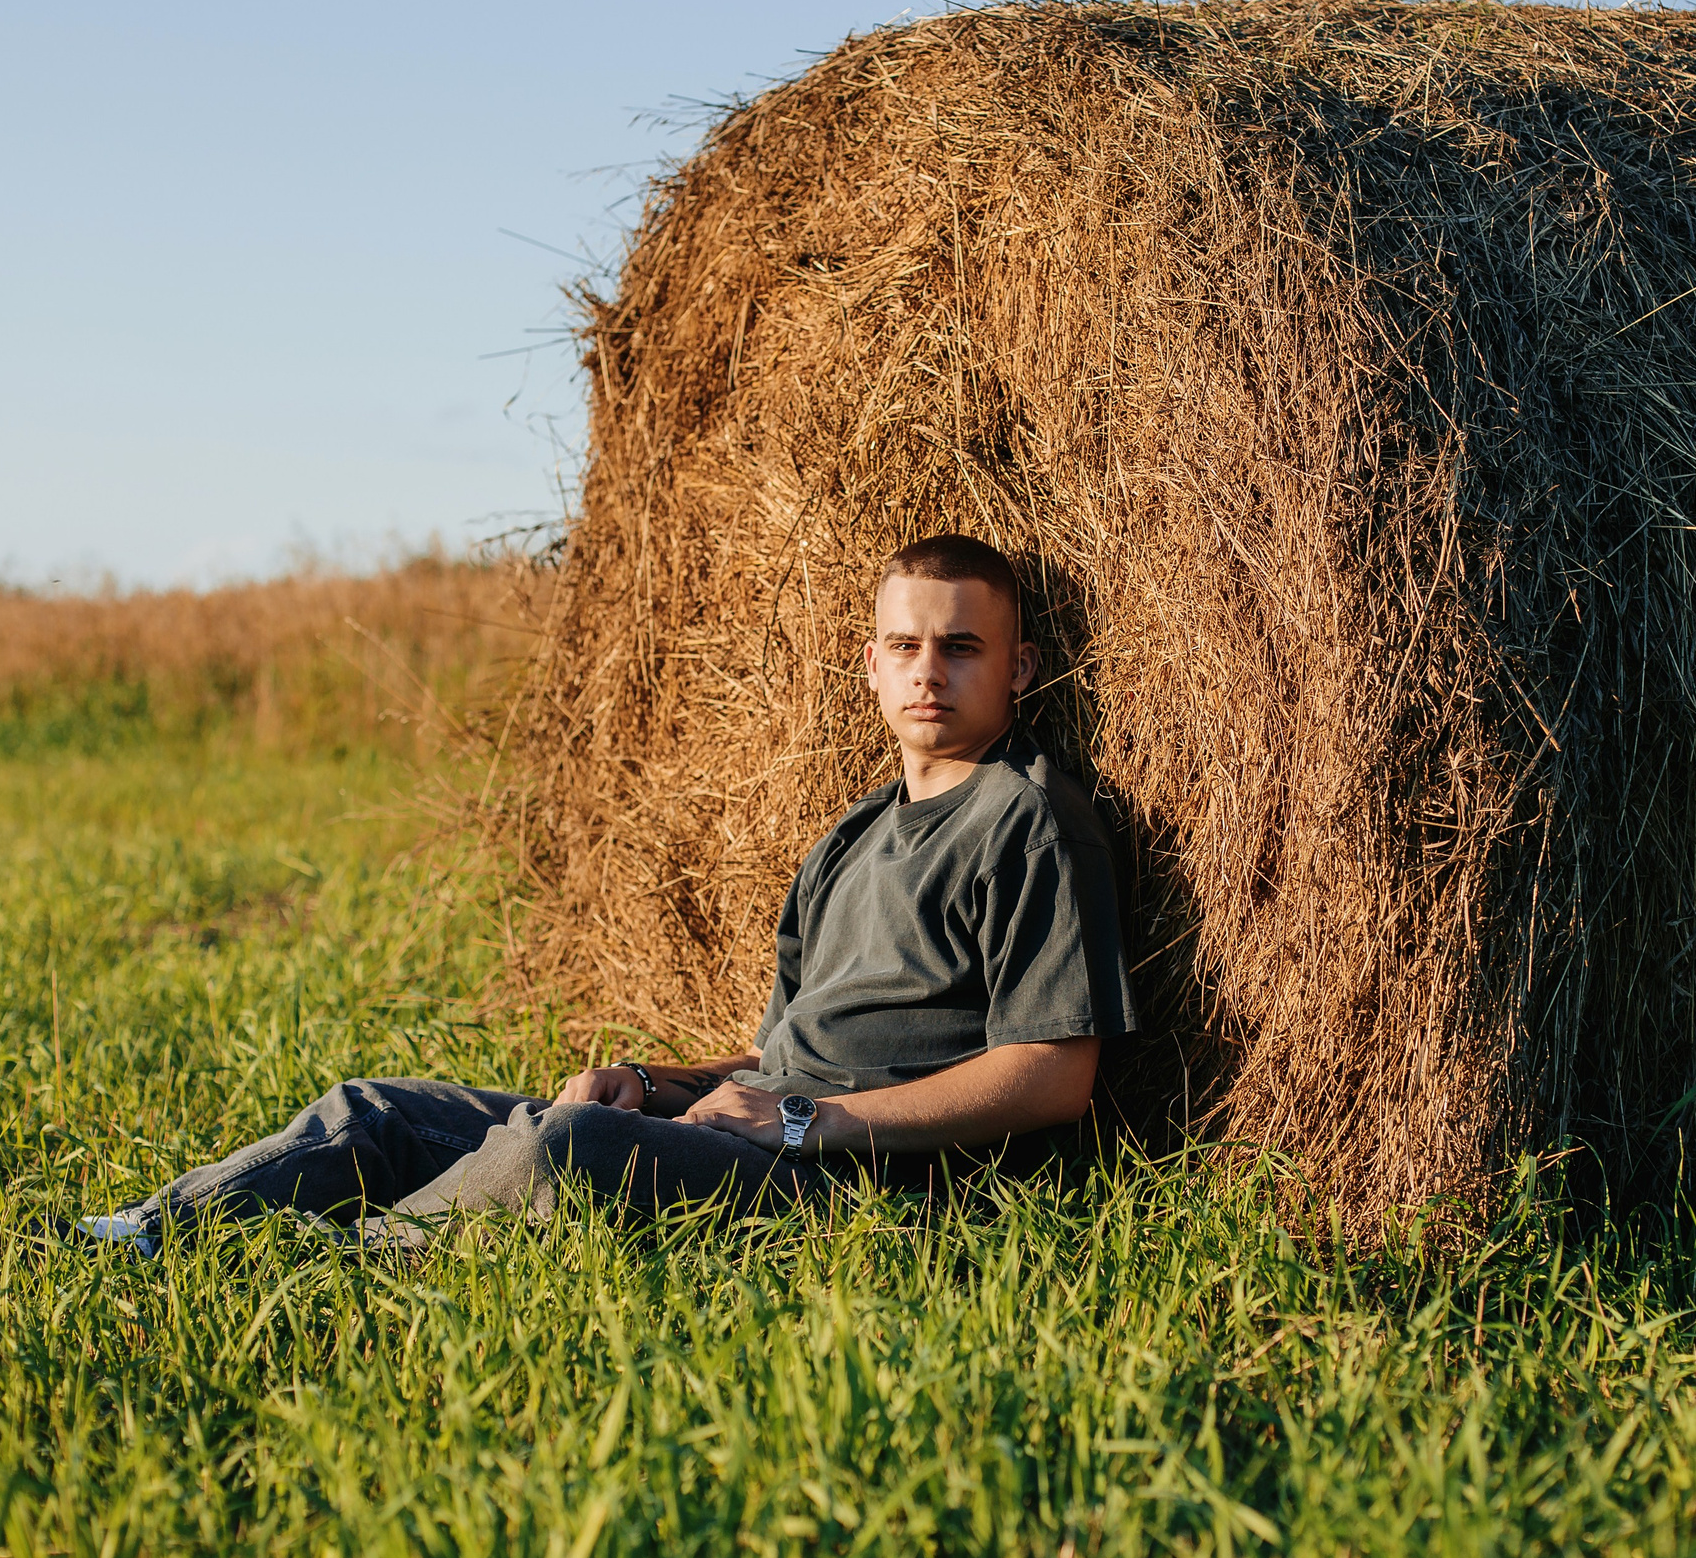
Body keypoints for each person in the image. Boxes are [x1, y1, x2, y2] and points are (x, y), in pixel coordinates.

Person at [72, 534, 1139, 1254]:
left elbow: (1051, 1078)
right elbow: (772, 1060)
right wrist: (657, 1079)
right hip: (770, 1131)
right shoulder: (850, 837)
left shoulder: (1029, 820)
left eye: (961, 648)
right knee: (381, 1106)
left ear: (1019, 669)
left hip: (872, 1181)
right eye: (905, 647)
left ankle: (342, 1264)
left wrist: (809, 1120)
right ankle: (152, 1232)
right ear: (869, 665)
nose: (928, 672)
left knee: (561, 1148)